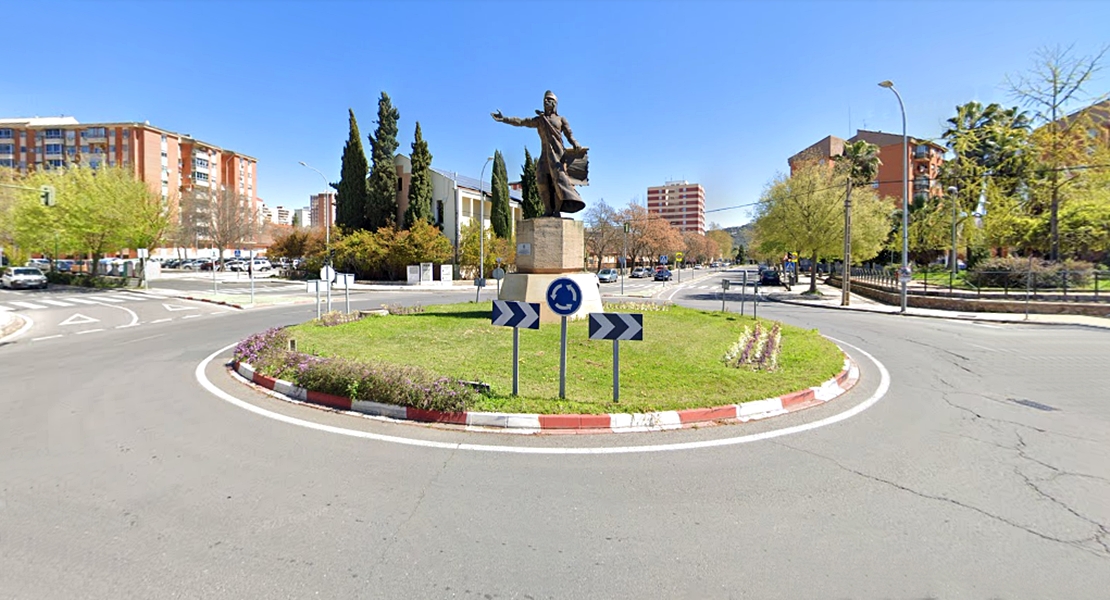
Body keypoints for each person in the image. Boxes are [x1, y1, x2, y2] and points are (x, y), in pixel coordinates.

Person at [491, 90, 588, 217]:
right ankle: (548, 210)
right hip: (545, 156)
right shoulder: (540, 120)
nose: (546, 102)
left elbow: (570, 135)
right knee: (542, 182)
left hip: (558, 157)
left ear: (555, 103)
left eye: (549, 100)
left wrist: (575, 143)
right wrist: (504, 119)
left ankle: (557, 211)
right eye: (545, 100)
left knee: (558, 184)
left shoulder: (561, 120)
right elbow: (521, 122)